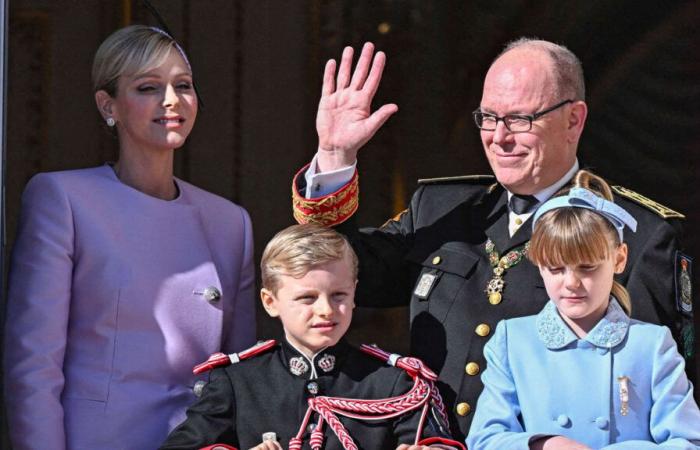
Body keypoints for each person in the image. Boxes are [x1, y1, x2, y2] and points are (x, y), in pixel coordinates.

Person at [290, 38, 693, 440]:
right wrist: (335, 156)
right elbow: (338, 274)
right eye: (488, 117)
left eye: (520, 119)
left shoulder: (633, 233)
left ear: (574, 119)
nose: (499, 137)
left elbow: (658, 393)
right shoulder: (441, 209)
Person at [3, 25, 256, 450]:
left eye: (184, 85)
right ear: (109, 105)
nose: (171, 100)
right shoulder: (64, 199)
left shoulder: (230, 222)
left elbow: (244, 374)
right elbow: (33, 366)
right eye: (148, 87)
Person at [161, 224, 464, 450]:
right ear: (270, 302)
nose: (325, 310)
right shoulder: (238, 382)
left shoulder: (394, 383)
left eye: (339, 295)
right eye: (307, 297)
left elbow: (437, 442)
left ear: (355, 293)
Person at [466, 171, 700, 450]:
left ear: (619, 259)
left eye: (587, 267)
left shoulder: (650, 345)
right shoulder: (513, 340)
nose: (571, 283)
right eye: (555, 268)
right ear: (539, 266)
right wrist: (547, 445)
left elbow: (687, 441)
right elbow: (484, 439)